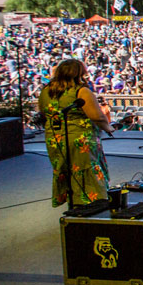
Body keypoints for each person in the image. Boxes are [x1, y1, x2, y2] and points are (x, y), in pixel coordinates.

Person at [39, 58, 114, 208]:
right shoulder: (81, 91)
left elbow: (43, 112)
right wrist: (108, 128)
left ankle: (74, 203)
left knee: (66, 169)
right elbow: (96, 115)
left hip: (55, 139)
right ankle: (91, 205)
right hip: (80, 139)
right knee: (86, 170)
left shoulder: (46, 91)